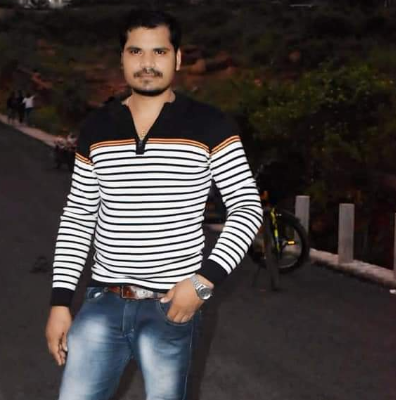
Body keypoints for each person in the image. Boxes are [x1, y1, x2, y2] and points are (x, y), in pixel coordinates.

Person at [45, 9, 263, 400]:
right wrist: (60, 302)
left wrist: (203, 282)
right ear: (122, 58)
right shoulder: (96, 128)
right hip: (102, 302)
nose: (147, 63)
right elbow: (78, 218)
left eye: (159, 52)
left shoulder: (211, 125)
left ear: (177, 58)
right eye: (136, 51)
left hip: (172, 305)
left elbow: (247, 207)